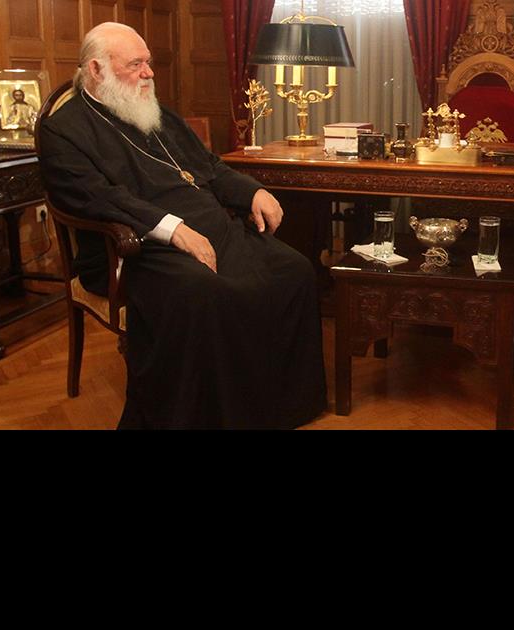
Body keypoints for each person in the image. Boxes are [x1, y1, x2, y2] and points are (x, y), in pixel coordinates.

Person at [39, 22, 327, 429]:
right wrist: (172, 229)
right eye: (135, 64)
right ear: (96, 70)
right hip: (135, 249)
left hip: (212, 229)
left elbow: (208, 167)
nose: (148, 73)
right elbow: (96, 197)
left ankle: (277, 407)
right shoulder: (63, 129)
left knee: (294, 271)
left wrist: (252, 192)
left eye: (148, 63)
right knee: (206, 293)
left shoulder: (154, 112)